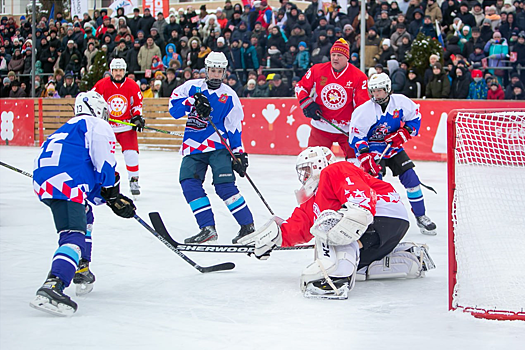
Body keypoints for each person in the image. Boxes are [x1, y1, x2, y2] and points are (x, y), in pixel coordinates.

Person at [237, 146, 434, 299]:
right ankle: (410, 258)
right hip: (386, 228)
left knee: (328, 228)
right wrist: (272, 240)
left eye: (306, 169)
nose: (304, 176)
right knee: (359, 267)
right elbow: (298, 227)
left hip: (379, 213)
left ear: (319, 164)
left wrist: (359, 212)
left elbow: (358, 196)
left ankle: (333, 279)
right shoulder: (315, 200)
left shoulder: (334, 170)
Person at [30, 91, 136, 316]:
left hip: (50, 181)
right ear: (97, 109)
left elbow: (88, 179)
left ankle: (81, 266)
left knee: (86, 214)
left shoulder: (69, 127)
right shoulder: (96, 124)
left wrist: (109, 199)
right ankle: (53, 284)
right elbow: (106, 165)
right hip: (66, 182)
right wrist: (113, 191)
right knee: (73, 235)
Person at [169, 52, 255, 244]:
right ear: (206, 70)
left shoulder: (229, 95)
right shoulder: (191, 87)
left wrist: (239, 153)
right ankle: (207, 228)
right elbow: (174, 110)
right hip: (193, 147)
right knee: (188, 183)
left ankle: (248, 227)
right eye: (212, 71)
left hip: (219, 146)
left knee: (224, 186)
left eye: (219, 71)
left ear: (224, 72)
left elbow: (234, 127)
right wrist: (192, 101)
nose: (216, 75)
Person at [348, 73, 437, 235]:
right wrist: (364, 155)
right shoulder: (364, 111)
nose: (375, 95)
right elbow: (356, 136)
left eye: (379, 91)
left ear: (388, 89)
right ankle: (374, 219)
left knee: (412, 179)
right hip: (374, 148)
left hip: (393, 147)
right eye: (372, 91)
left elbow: (415, 117)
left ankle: (421, 215)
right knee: (375, 184)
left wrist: (404, 133)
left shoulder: (401, 102)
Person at [295, 38, 369, 160]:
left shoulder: (359, 76)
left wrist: (360, 128)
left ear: (347, 58)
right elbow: (300, 87)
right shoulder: (317, 70)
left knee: (357, 162)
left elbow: (363, 105)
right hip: (321, 126)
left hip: (347, 129)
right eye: (333, 55)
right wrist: (307, 103)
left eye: (339, 55)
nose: (335, 58)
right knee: (312, 161)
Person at [92, 58, 145, 196]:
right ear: (111, 71)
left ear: (124, 71)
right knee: (105, 156)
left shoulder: (132, 85)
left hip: (125, 127)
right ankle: (104, 182)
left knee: (131, 154)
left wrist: (137, 117)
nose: (118, 73)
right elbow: (93, 100)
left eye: (120, 70)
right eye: (115, 70)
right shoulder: (101, 85)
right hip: (107, 127)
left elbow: (136, 104)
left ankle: (134, 180)